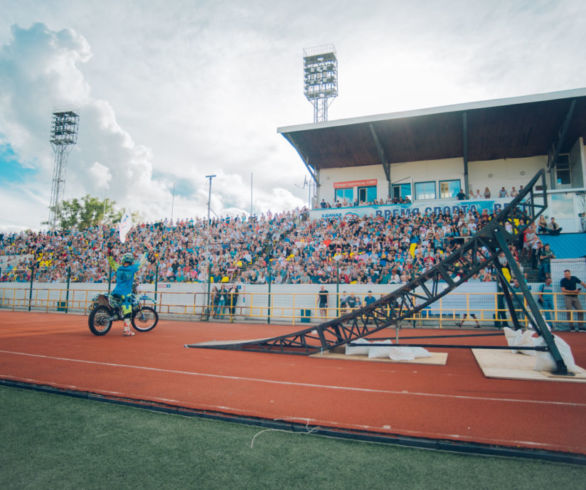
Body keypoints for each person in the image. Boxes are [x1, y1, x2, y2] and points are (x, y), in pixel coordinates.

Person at [108, 248, 149, 336]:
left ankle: (114, 314)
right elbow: (142, 262)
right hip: (125, 294)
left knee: (115, 306)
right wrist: (146, 252)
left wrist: (109, 253)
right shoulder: (132, 268)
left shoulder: (118, 267)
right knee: (128, 312)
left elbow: (111, 262)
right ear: (131, 261)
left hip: (115, 292)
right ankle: (126, 331)